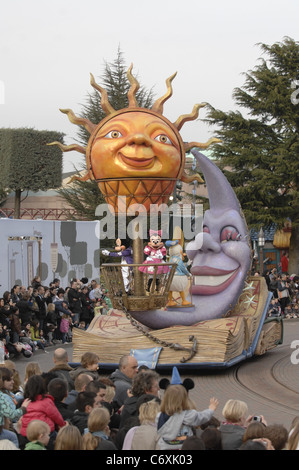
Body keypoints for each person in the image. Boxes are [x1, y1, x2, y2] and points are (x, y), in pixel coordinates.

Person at [156, 384, 219, 450]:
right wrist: (211, 409)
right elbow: (202, 417)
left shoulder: (159, 416)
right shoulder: (188, 415)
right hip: (185, 446)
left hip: (165, 447)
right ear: (184, 400)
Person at [19, 374, 66, 449]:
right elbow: (56, 416)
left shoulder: (25, 402)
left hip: (26, 435)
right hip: (45, 434)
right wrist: (63, 425)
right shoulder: (46, 401)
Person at [0, 367, 30, 448]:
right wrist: (23, 408)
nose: (13, 382)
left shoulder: (7, 392)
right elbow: (11, 414)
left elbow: (18, 398)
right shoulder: (2, 397)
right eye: (9, 380)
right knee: (13, 437)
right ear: (2, 381)